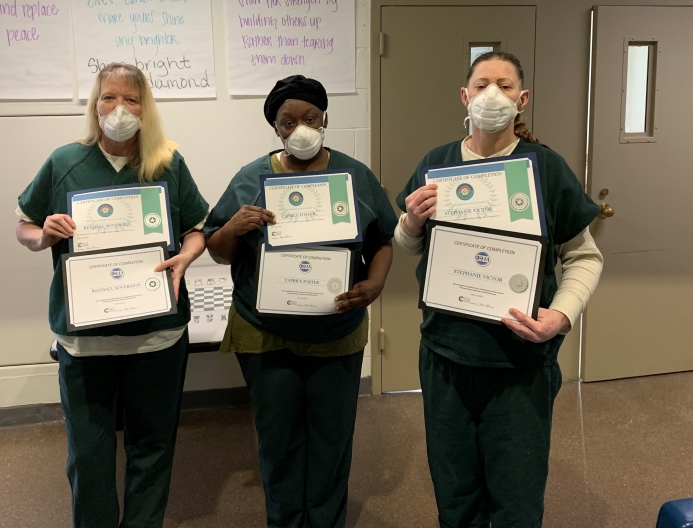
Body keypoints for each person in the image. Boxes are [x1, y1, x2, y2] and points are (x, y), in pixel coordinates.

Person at [395, 51, 604, 528]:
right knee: (455, 495)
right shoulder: (437, 163)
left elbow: (584, 257)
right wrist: (409, 222)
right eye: (483, 84)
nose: (493, 94)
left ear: (522, 99)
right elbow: (407, 244)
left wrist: (561, 315)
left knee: (516, 499)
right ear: (464, 97)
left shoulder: (545, 168)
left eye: (505, 86)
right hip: (447, 355)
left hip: (519, 363)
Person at [15, 63, 209, 528]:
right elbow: (23, 226)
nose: (119, 109)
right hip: (86, 342)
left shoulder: (168, 162)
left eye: (131, 99)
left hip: (156, 337)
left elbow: (197, 230)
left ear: (146, 107)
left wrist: (185, 258)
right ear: (94, 104)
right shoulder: (65, 162)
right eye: (108, 97)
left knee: (153, 446)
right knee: (88, 453)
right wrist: (43, 235)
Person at [204, 75, 398, 528]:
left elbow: (384, 239)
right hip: (264, 332)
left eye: (310, 117)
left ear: (325, 118)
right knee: (279, 441)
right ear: (275, 127)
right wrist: (234, 227)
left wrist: (375, 283)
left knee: (331, 439)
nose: (301, 128)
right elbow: (217, 249)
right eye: (288, 121)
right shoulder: (252, 178)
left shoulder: (355, 176)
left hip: (336, 330)